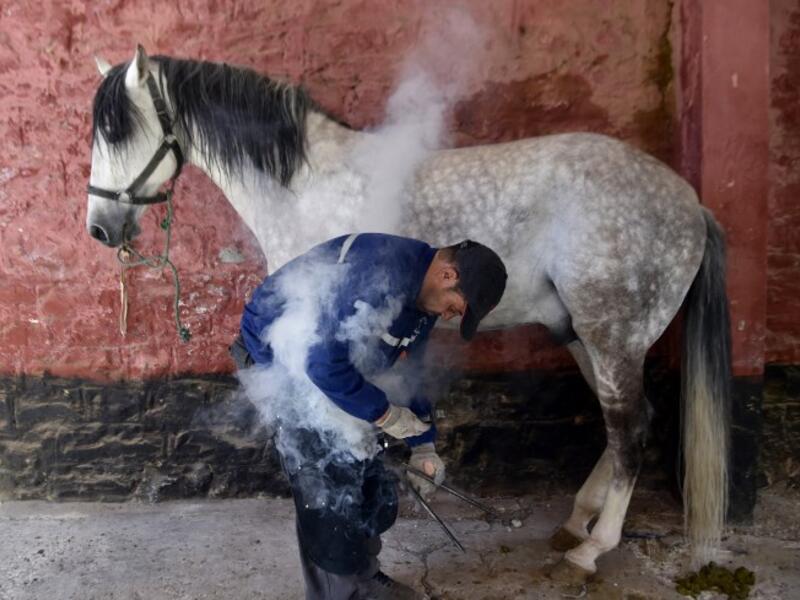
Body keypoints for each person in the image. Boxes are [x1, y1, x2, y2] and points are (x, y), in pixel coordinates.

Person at [230, 233, 507, 600]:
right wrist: (385, 414)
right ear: (447, 275)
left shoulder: (422, 302)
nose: (450, 317)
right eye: (456, 308)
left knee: (368, 472)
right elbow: (322, 364)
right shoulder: (379, 274)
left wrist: (424, 444)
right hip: (281, 363)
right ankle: (340, 592)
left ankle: (364, 575)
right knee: (327, 472)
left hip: (332, 369)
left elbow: (413, 371)